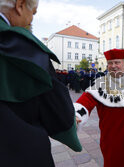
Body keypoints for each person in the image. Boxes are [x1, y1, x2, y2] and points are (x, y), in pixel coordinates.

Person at [0, 1, 82, 166]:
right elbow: (58, 112)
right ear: (20, 5)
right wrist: (72, 121)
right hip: (20, 152)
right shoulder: (22, 47)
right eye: (34, 12)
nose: (31, 20)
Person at [74, 49, 124, 167]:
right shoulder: (100, 84)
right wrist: (76, 115)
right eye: (110, 63)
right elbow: (85, 101)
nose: (113, 66)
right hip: (112, 138)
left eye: (117, 62)